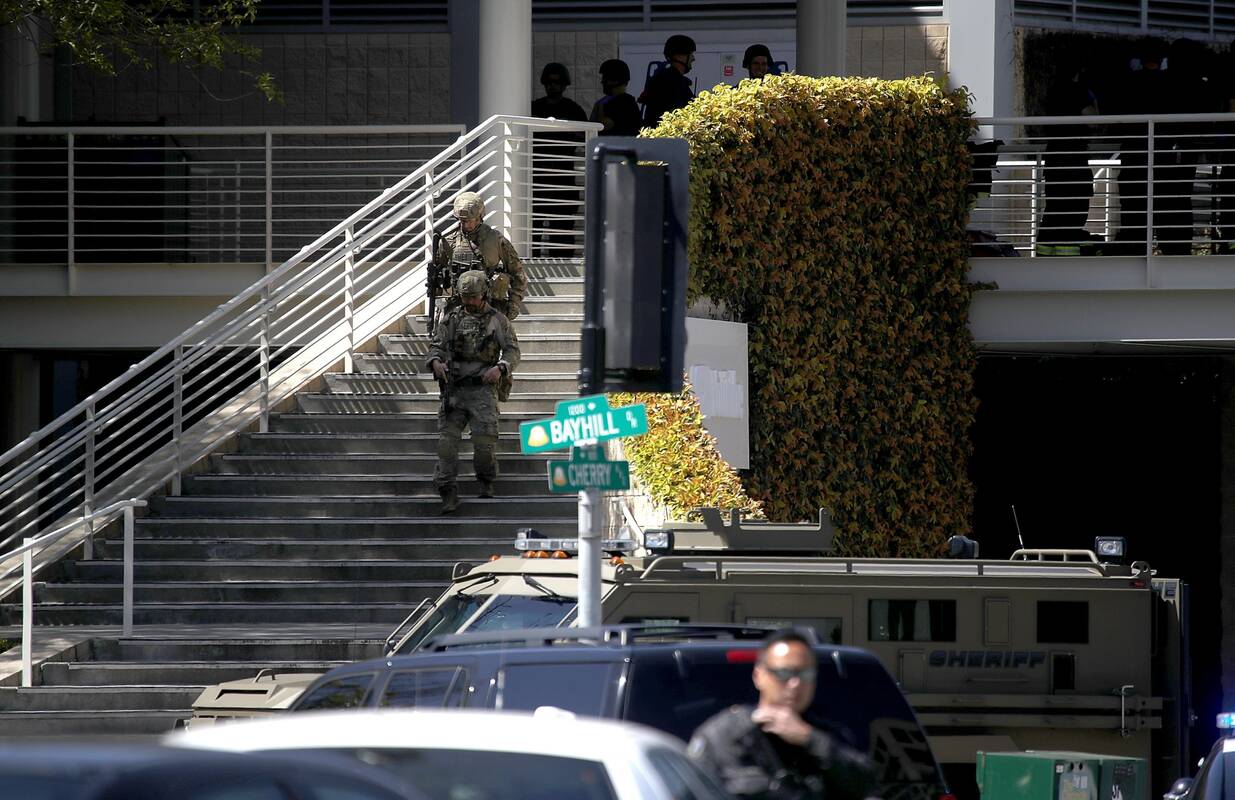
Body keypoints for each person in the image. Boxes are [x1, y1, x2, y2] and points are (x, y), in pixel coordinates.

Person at [687, 630, 875, 800]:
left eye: (806, 674)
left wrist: (808, 738)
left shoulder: (827, 737)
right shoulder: (721, 737)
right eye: (784, 673)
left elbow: (866, 785)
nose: (795, 684)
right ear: (759, 676)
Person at [426, 270, 520, 514]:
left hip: (482, 391)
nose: (469, 301)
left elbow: (512, 351)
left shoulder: (498, 320)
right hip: (454, 390)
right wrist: (436, 362)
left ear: (484, 294)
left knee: (484, 445)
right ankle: (447, 492)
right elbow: (435, 347)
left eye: (473, 297)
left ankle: (486, 480)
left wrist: (501, 367)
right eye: (465, 297)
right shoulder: (451, 319)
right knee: (446, 445)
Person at [434, 191, 526, 321]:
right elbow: (439, 273)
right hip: (459, 308)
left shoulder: (495, 239)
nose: (466, 225)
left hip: (490, 308)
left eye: (470, 221)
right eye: (462, 221)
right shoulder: (448, 242)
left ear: (480, 216)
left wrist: (514, 304)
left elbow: (518, 273)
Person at [529, 63, 588, 256]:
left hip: (563, 180)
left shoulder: (573, 109)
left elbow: (585, 137)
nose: (552, 85)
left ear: (564, 85)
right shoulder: (535, 107)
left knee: (562, 234)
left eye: (556, 82)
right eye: (549, 82)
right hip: (537, 180)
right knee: (532, 234)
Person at [641, 34, 696, 129]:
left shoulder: (665, 78)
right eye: (690, 54)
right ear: (680, 56)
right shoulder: (671, 82)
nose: (693, 58)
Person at [590, 59, 642, 136]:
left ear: (615, 81)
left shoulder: (625, 103)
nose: (602, 82)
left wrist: (600, 106)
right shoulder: (618, 101)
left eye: (605, 78)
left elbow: (603, 125)